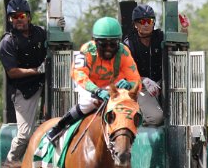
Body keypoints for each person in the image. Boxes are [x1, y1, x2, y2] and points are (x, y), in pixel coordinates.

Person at [43, 16, 140, 144]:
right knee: (89, 102)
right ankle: (59, 126)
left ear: (119, 42)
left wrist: (129, 84)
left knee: (127, 103)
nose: (108, 48)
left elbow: (136, 79)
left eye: (113, 44)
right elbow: (78, 73)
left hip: (112, 87)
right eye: (103, 44)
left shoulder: (124, 52)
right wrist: (96, 90)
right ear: (95, 41)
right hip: (88, 85)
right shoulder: (87, 50)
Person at [0, 0, 47, 163]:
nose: (18, 19)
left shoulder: (41, 32)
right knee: (24, 135)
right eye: (14, 17)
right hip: (24, 91)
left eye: (22, 16)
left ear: (29, 17)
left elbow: (56, 44)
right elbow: (12, 72)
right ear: (9, 19)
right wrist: (36, 71)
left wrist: (59, 28)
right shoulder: (7, 42)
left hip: (46, 85)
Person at [123, 3, 165, 127]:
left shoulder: (161, 37)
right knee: (157, 118)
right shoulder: (128, 44)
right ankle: (140, 120)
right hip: (140, 86)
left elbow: (178, 49)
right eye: (142, 21)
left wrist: (184, 30)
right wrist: (143, 80)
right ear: (135, 24)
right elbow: (125, 73)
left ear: (153, 23)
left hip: (161, 83)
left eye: (149, 21)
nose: (146, 24)